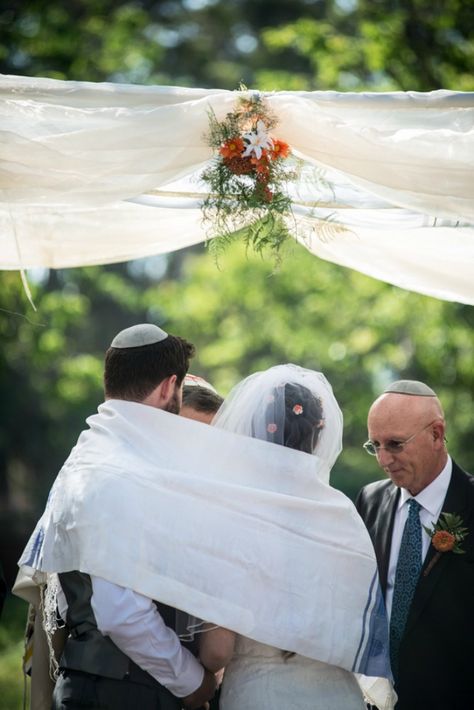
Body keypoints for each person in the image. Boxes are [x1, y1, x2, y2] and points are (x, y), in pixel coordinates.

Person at [20, 324, 217, 710]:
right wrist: (194, 683)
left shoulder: (85, 455)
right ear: (168, 387)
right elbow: (120, 613)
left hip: (85, 684)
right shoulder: (124, 469)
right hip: (124, 693)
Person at [196, 365, 370, 710]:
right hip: (339, 696)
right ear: (319, 435)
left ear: (252, 430)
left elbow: (217, 650)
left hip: (260, 694)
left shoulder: (236, 516)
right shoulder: (343, 514)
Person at [355, 380, 474, 710]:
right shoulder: (370, 499)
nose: (383, 459)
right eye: (374, 445)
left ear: (436, 434)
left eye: (394, 444)